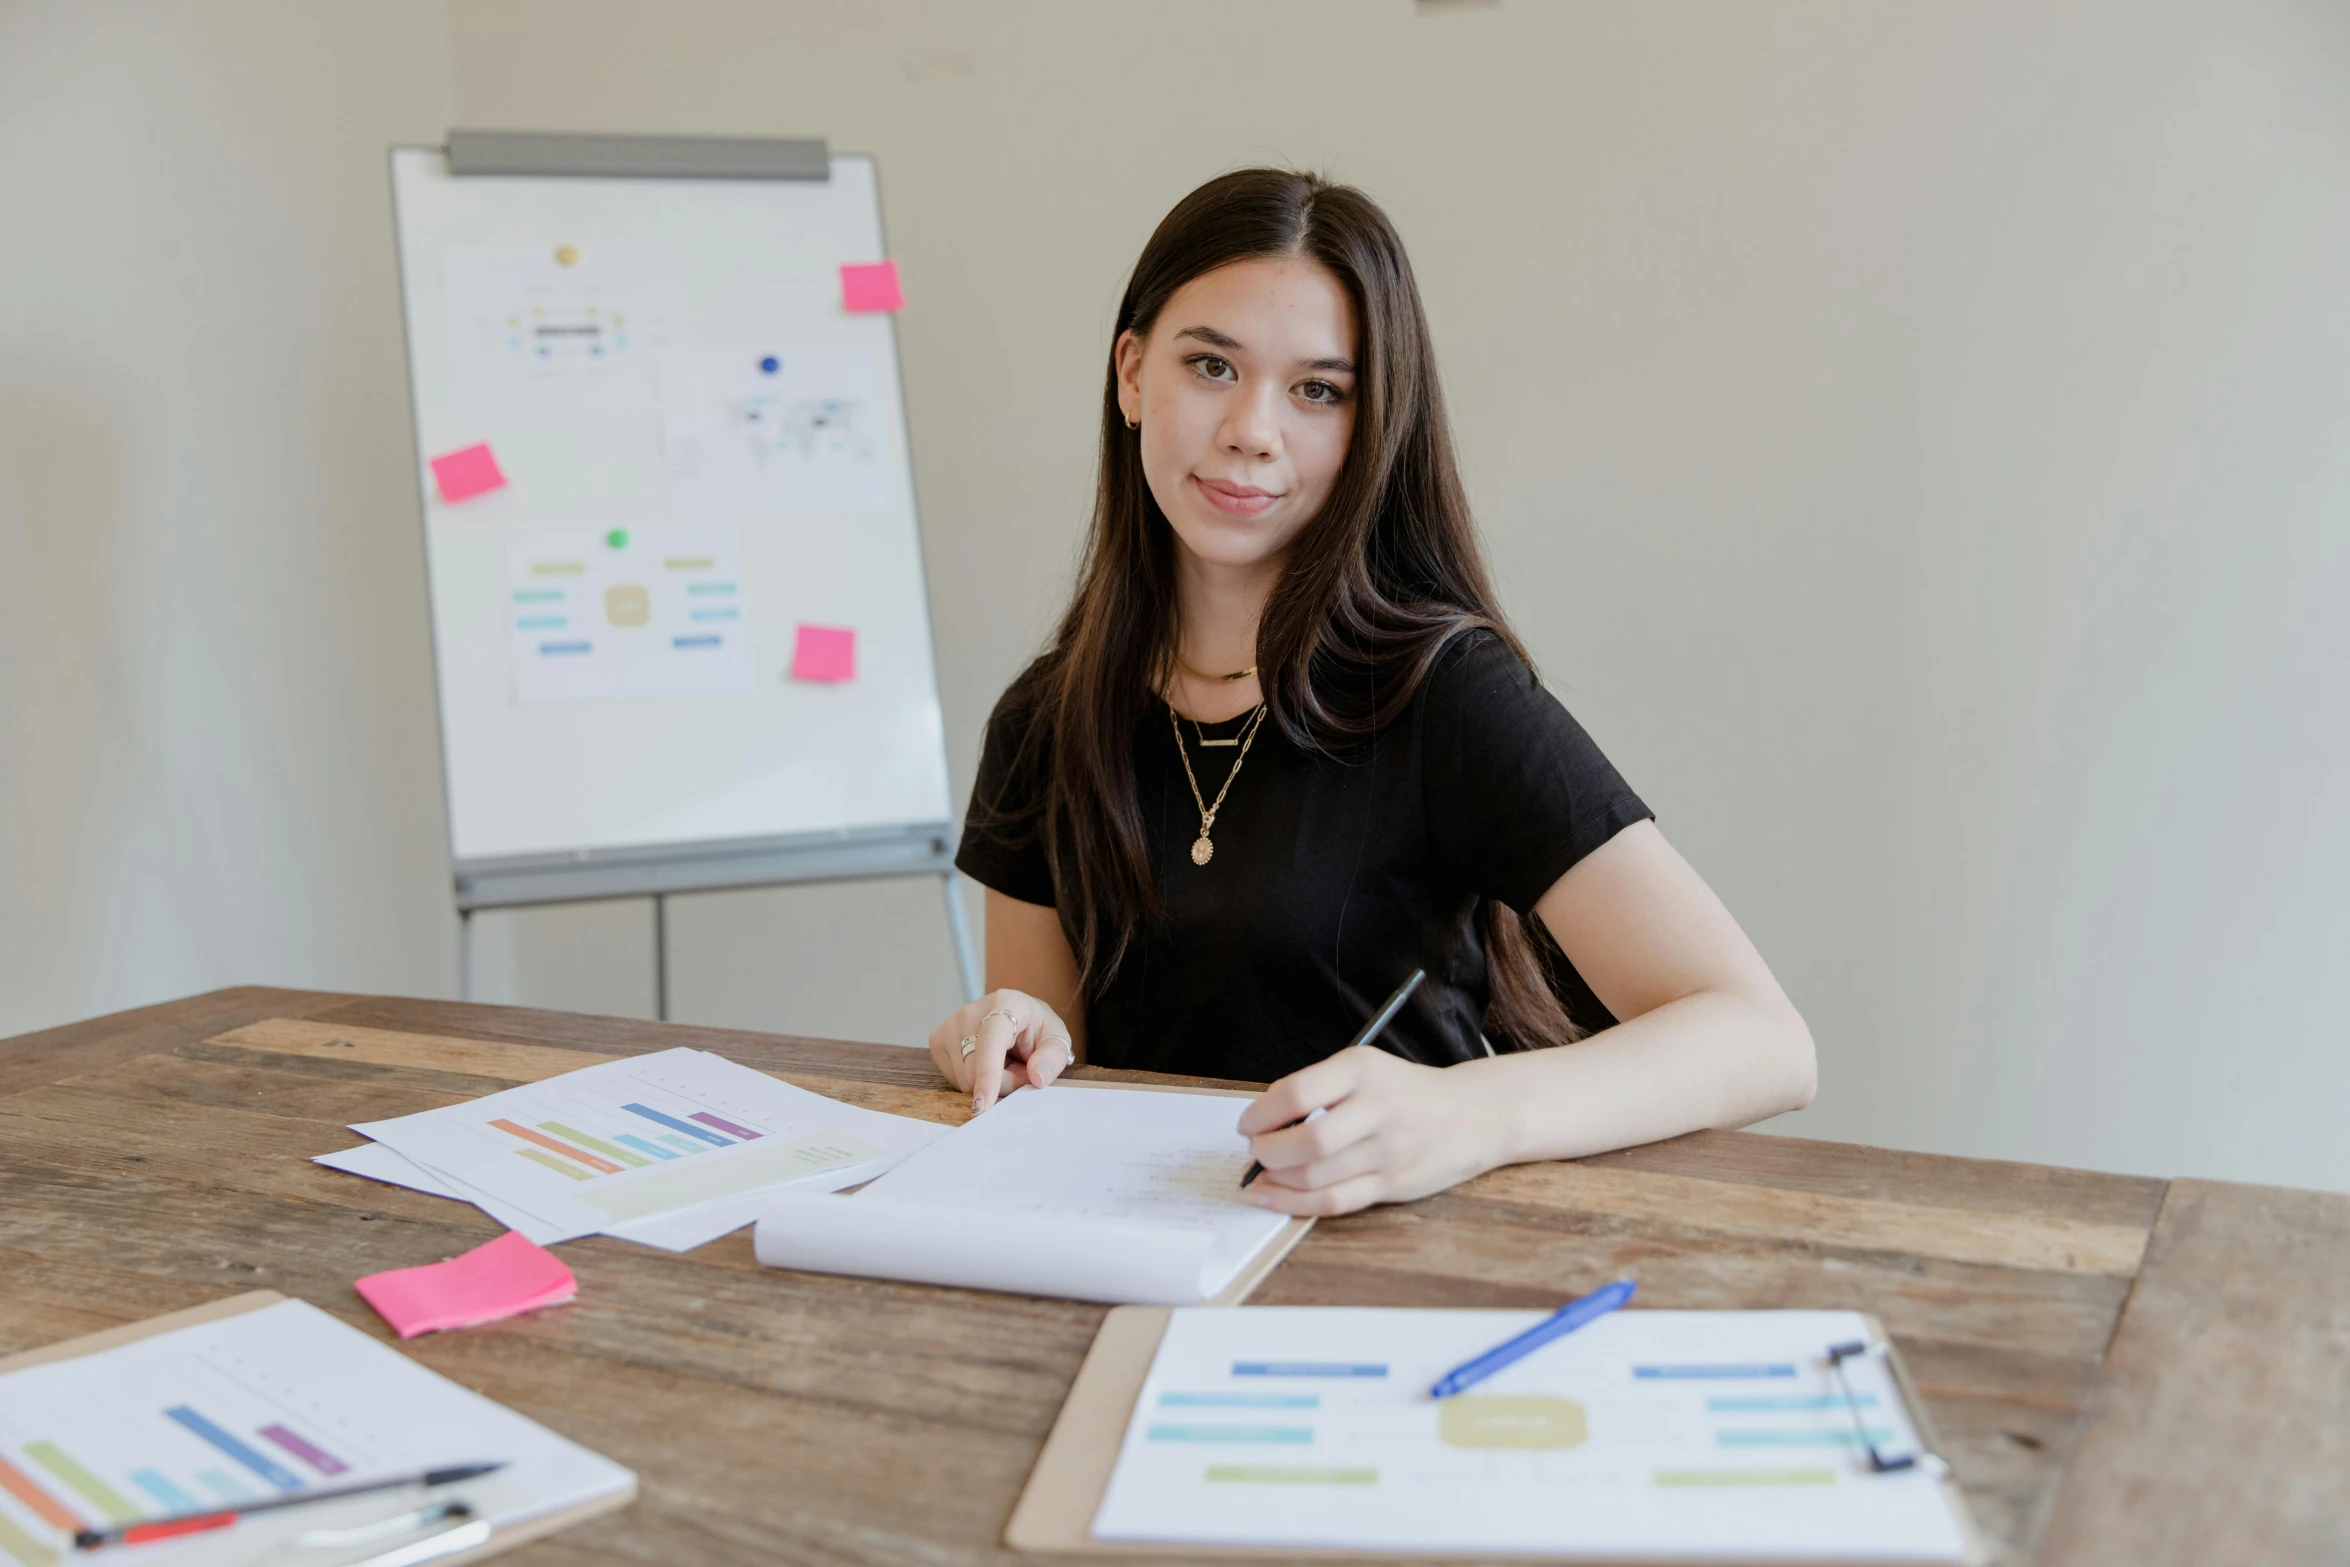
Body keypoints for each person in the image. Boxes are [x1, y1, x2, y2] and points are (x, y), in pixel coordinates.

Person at [932, 168, 1814, 1217]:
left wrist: (1469, 1112)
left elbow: (1763, 1039)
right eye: (1211, 365)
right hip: (1146, 1255)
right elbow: (1055, 1075)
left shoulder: (1446, 697)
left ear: (1370, 425)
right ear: (1130, 375)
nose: (1252, 429)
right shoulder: (1044, 720)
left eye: (1317, 390)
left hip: (1400, 1262)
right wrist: (1005, 1032)